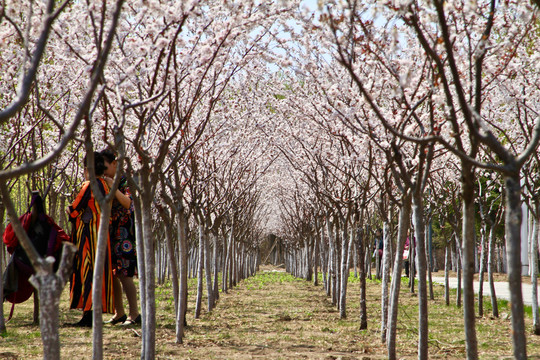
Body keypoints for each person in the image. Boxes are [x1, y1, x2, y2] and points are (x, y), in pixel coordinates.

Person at [68, 152, 115, 327]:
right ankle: (92, 313)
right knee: (98, 272)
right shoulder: (105, 185)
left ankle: (88, 315)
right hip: (101, 235)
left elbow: (74, 208)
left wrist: (69, 211)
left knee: (87, 271)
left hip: (88, 235)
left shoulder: (89, 185)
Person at [101, 149, 140, 326]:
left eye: (105, 166)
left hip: (124, 233)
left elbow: (128, 203)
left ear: (115, 163)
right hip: (109, 231)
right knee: (112, 274)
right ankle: (119, 313)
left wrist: (113, 186)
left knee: (125, 274)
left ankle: (134, 314)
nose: (103, 169)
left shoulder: (125, 180)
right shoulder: (102, 181)